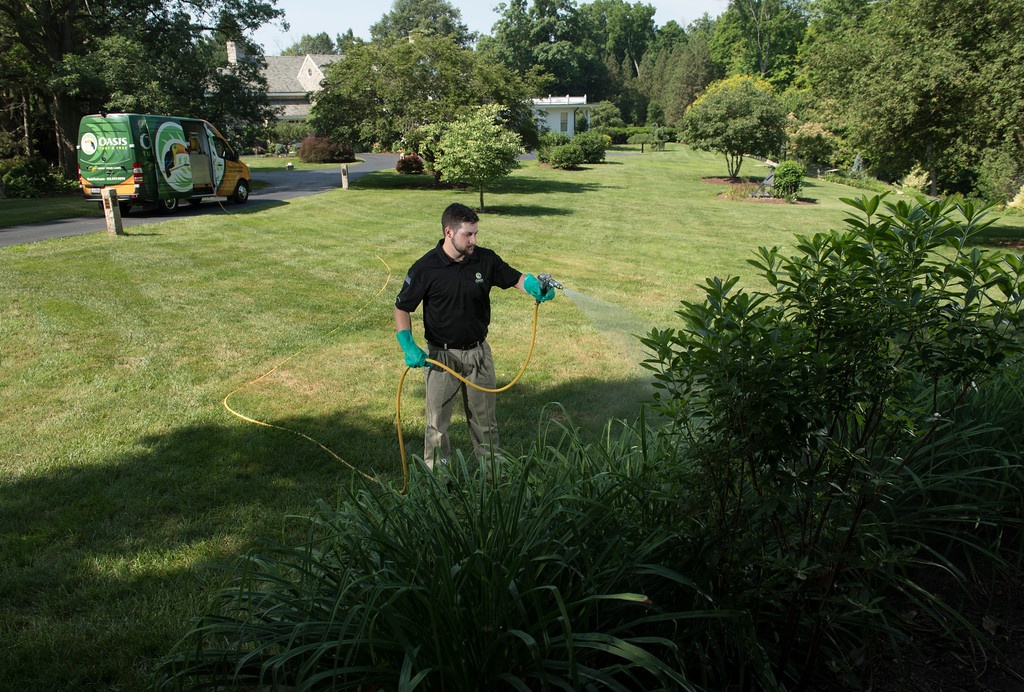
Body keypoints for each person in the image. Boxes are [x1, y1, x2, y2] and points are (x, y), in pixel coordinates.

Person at [394, 202, 555, 474]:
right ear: (449, 232)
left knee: (485, 423)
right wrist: (407, 344)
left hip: (479, 354)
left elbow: (515, 278)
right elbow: (402, 307)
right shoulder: (426, 268)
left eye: (476, 234)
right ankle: (440, 480)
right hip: (441, 358)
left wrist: (533, 286)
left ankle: (494, 478)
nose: (474, 240)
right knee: (437, 426)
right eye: (468, 234)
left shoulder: (485, 259)